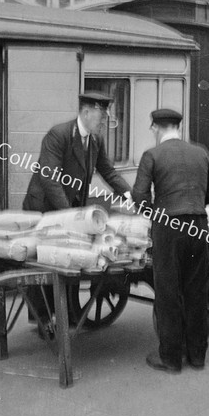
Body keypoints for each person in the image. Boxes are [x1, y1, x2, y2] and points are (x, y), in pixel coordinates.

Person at [22, 92, 132, 335]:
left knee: (70, 258)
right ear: (86, 112)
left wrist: (130, 194)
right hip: (43, 206)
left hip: (66, 206)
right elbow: (49, 177)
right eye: (102, 116)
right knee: (45, 263)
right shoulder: (59, 134)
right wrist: (71, 215)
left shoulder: (95, 141)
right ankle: (43, 320)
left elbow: (108, 171)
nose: (104, 121)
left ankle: (69, 314)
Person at [133, 108, 209, 372]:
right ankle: (197, 356)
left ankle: (170, 358)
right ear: (178, 128)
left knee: (168, 293)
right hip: (199, 225)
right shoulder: (201, 152)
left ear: (157, 129)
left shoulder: (152, 155)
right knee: (196, 290)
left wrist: (154, 216)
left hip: (168, 227)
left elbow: (139, 197)